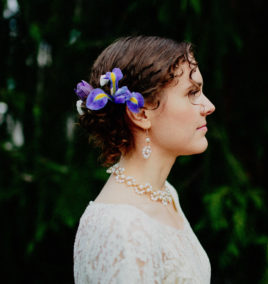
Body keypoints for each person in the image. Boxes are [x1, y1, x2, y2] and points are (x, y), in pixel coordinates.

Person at [73, 35, 215, 283]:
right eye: (192, 92)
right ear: (140, 113)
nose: (209, 105)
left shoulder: (166, 194)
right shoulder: (122, 229)